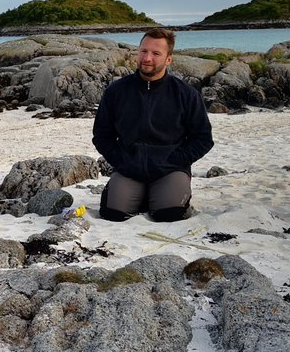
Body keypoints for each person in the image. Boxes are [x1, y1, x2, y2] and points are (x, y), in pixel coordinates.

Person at [91, 28, 214, 223]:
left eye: (156, 53)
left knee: (169, 215)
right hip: (129, 168)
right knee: (113, 214)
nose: (147, 58)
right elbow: (101, 135)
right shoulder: (116, 91)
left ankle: (160, 196)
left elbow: (203, 138)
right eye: (143, 51)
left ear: (168, 59)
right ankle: (140, 195)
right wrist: (121, 161)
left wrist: (176, 160)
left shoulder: (186, 94)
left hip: (170, 169)